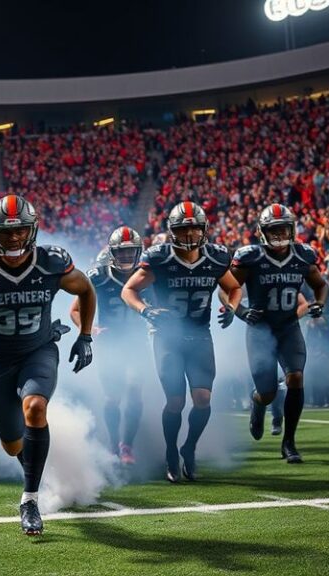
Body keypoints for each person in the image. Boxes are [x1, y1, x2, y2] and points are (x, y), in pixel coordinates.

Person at [0, 194, 96, 536]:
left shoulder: (51, 262)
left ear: (32, 230)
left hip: (38, 351)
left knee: (35, 407)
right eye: (6, 231)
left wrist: (85, 335)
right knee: (12, 445)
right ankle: (38, 471)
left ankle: (29, 499)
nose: (14, 238)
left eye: (20, 230)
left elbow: (86, 290)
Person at [122, 201, 242, 483]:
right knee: (175, 401)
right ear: (172, 231)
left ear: (204, 229)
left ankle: (189, 447)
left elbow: (234, 287)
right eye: (182, 229)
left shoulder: (214, 257)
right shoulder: (161, 258)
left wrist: (232, 307)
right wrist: (145, 310)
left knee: (202, 399)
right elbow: (129, 290)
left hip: (200, 335)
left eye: (194, 228)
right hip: (168, 338)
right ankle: (170, 453)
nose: (189, 234)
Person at [229, 204, 328, 464]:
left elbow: (320, 285)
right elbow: (226, 288)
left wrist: (319, 303)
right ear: (263, 231)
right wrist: (240, 311)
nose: (279, 234)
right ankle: (257, 402)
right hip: (260, 330)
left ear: (292, 228)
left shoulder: (303, 255)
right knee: (268, 393)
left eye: (283, 228)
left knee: (296, 377)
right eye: (274, 229)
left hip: (288, 328)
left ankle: (289, 442)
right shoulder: (251, 256)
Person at [70, 226, 144, 464]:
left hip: (138, 342)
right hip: (110, 343)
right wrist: (90, 329)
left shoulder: (145, 274)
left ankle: (127, 445)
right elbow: (74, 310)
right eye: (122, 252)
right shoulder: (98, 276)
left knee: (134, 388)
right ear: (112, 253)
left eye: (131, 251)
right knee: (113, 398)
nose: (127, 256)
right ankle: (113, 444)